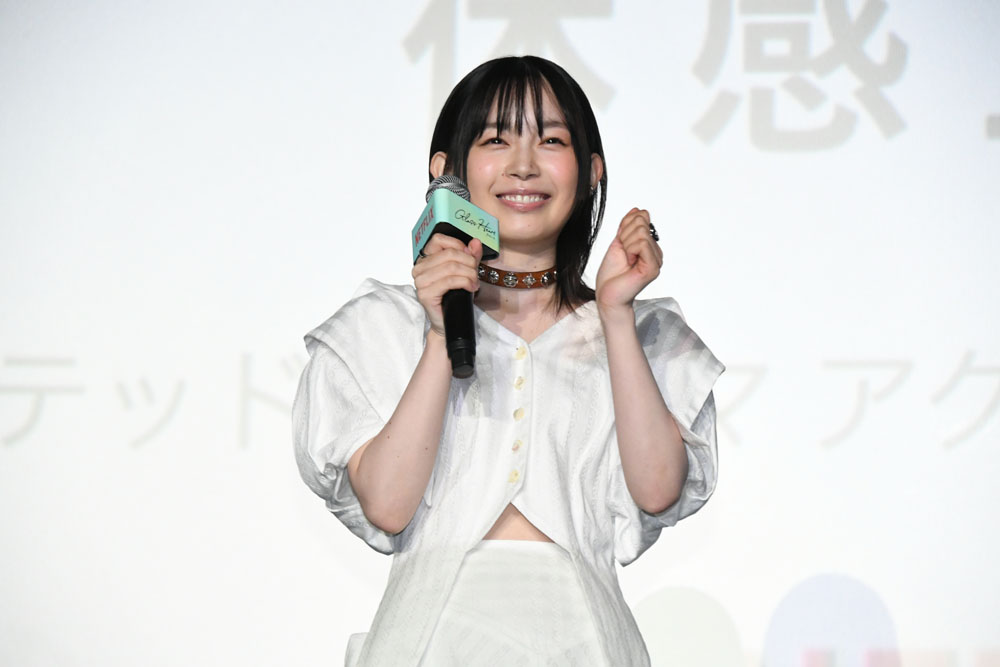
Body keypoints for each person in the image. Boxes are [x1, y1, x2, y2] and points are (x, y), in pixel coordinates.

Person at [292, 55, 724, 666]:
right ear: (445, 171)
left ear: (591, 171)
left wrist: (615, 315)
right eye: (496, 139)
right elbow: (386, 506)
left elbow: (657, 491)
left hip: (586, 645)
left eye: (552, 140)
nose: (524, 164)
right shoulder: (383, 327)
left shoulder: (640, 332)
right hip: (430, 645)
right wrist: (440, 334)